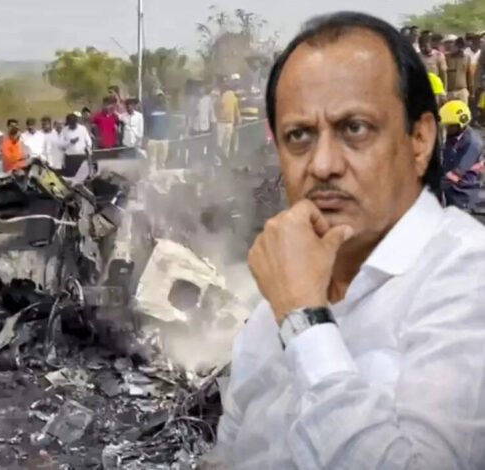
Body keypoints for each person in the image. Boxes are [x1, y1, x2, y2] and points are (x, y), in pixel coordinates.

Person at [204, 12, 485, 469]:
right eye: (299, 135)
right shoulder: (271, 309)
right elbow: (229, 454)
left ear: (419, 140)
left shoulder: (467, 273)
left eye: (354, 128)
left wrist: (305, 322)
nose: (322, 165)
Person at [439, 100, 483, 210]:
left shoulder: (473, 144)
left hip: (465, 191)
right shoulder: (453, 136)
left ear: (460, 124)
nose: (446, 129)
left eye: (449, 126)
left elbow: (457, 172)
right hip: (452, 187)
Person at [215, 78, 241, 160]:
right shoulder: (227, 95)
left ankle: (222, 159)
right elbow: (236, 109)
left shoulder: (225, 95)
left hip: (223, 122)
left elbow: (235, 108)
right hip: (227, 122)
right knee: (225, 143)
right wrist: (238, 119)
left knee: (221, 143)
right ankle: (223, 159)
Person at [145, 90, 171, 170]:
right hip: (153, 140)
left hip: (164, 139)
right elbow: (146, 124)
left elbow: (169, 124)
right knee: (152, 162)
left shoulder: (167, 109)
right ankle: (152, 177)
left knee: (162, 162)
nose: (159, 98)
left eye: (161, 96)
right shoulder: (149, 110)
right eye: (158, 96)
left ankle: (161, 177)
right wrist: (146, 137)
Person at [446, 36, 473, 103]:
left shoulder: (467, 58)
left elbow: (469, 76)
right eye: (458, 45)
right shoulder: (446, 57)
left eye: (462, 46)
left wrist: (471, 92)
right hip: (449, 92)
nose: (460, 48)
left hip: (462, 91)